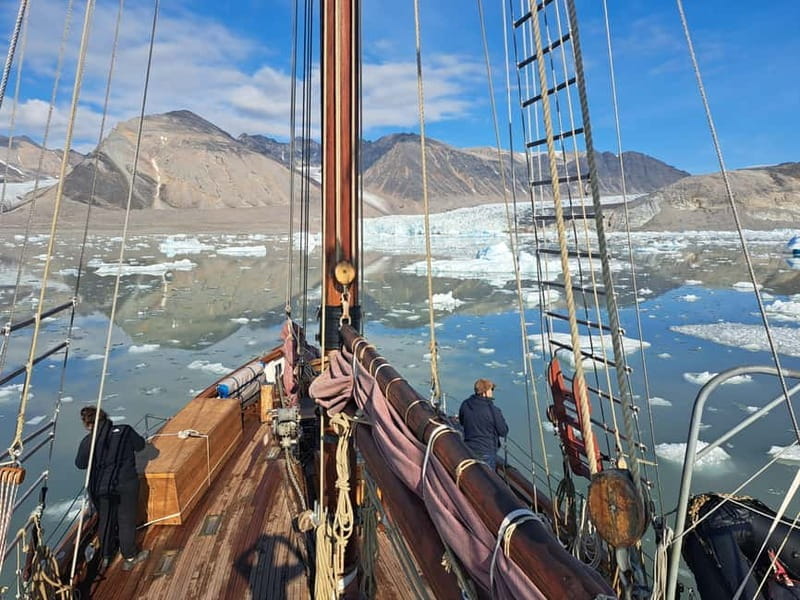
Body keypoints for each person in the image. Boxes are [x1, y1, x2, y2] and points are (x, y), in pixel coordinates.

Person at [75, 406, 148, 571]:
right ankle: (130, 557)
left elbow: (80, 464)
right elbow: (141, 445)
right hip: (126, 484)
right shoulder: (124, 431)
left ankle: (106, 556)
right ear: (105, 417)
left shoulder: (88, 442)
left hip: (101, 487)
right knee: (126, 519)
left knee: (105, 520)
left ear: (88, 425)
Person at [458, 378, 509, 470]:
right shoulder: (493, 411)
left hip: (468, 448)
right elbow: (503, 431)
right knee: (488, 478)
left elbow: (461, 422)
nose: (492, 392)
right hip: (486, 452)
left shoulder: (465, 404)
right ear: (485, 392)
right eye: (491, 390)